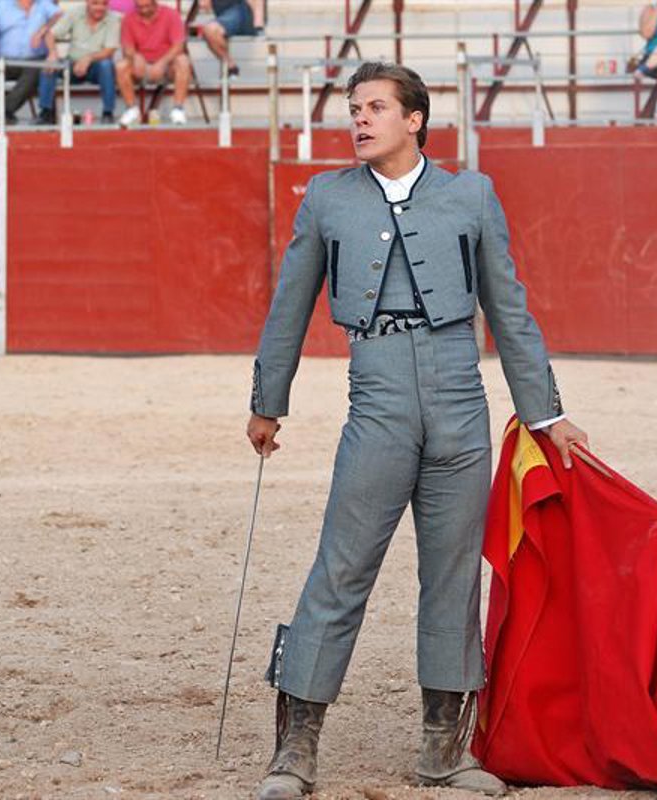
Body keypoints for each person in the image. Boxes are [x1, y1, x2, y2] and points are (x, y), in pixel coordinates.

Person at [245, 61, 587, 800]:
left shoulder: (471, 194)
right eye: (354, 109)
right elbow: (290, 303)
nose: (359, 120)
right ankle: (295, 751)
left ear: (414, 120)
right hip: (377, 395)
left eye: (375, 108)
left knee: (455, 577)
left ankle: (444, 750)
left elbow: (509, 308)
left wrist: (546, 413)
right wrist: (269, 401)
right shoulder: (329, 197)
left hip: (461, 395)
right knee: (341, 570)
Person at [0, 0, 59, 125]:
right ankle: (3, 113)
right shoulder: (0, 7)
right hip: (3, 61)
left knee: (38, 69)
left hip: (34, 60)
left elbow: (58, 18)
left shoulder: (44, 4)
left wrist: (49, 45)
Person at [37, 0, 120, 125]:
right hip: (72, 64)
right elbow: (50, 34)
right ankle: (45, 113)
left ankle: (108, 113)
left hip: (96, 67)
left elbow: (109, 50)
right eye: (95, 3)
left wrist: (88, 58)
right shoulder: (75, 12)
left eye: (104, 4)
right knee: (49, 65)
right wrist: (53, 53)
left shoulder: (113, 19)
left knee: (106, 65)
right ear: (87, 2)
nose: (100, 7)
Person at [115, 0, 190, 126]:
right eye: (140, 7)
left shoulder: (171, 14)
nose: (144, 10)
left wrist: (162, 63)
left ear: (155, 3)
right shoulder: (128, 18)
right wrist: (136, 56)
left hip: (167, 65)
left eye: (147, 6)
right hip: (141, 66)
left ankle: (178, 109)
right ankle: (131, 109)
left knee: (183, 60)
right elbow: (127, 47)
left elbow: (178, 46)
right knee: (121, 66)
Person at [200, 0, 256, 77]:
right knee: (210, 31)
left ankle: (230, 66)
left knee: (211, 30)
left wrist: (259, 25)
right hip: (225, 16)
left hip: (240, 12)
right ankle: (230, 66)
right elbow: (204, 6)